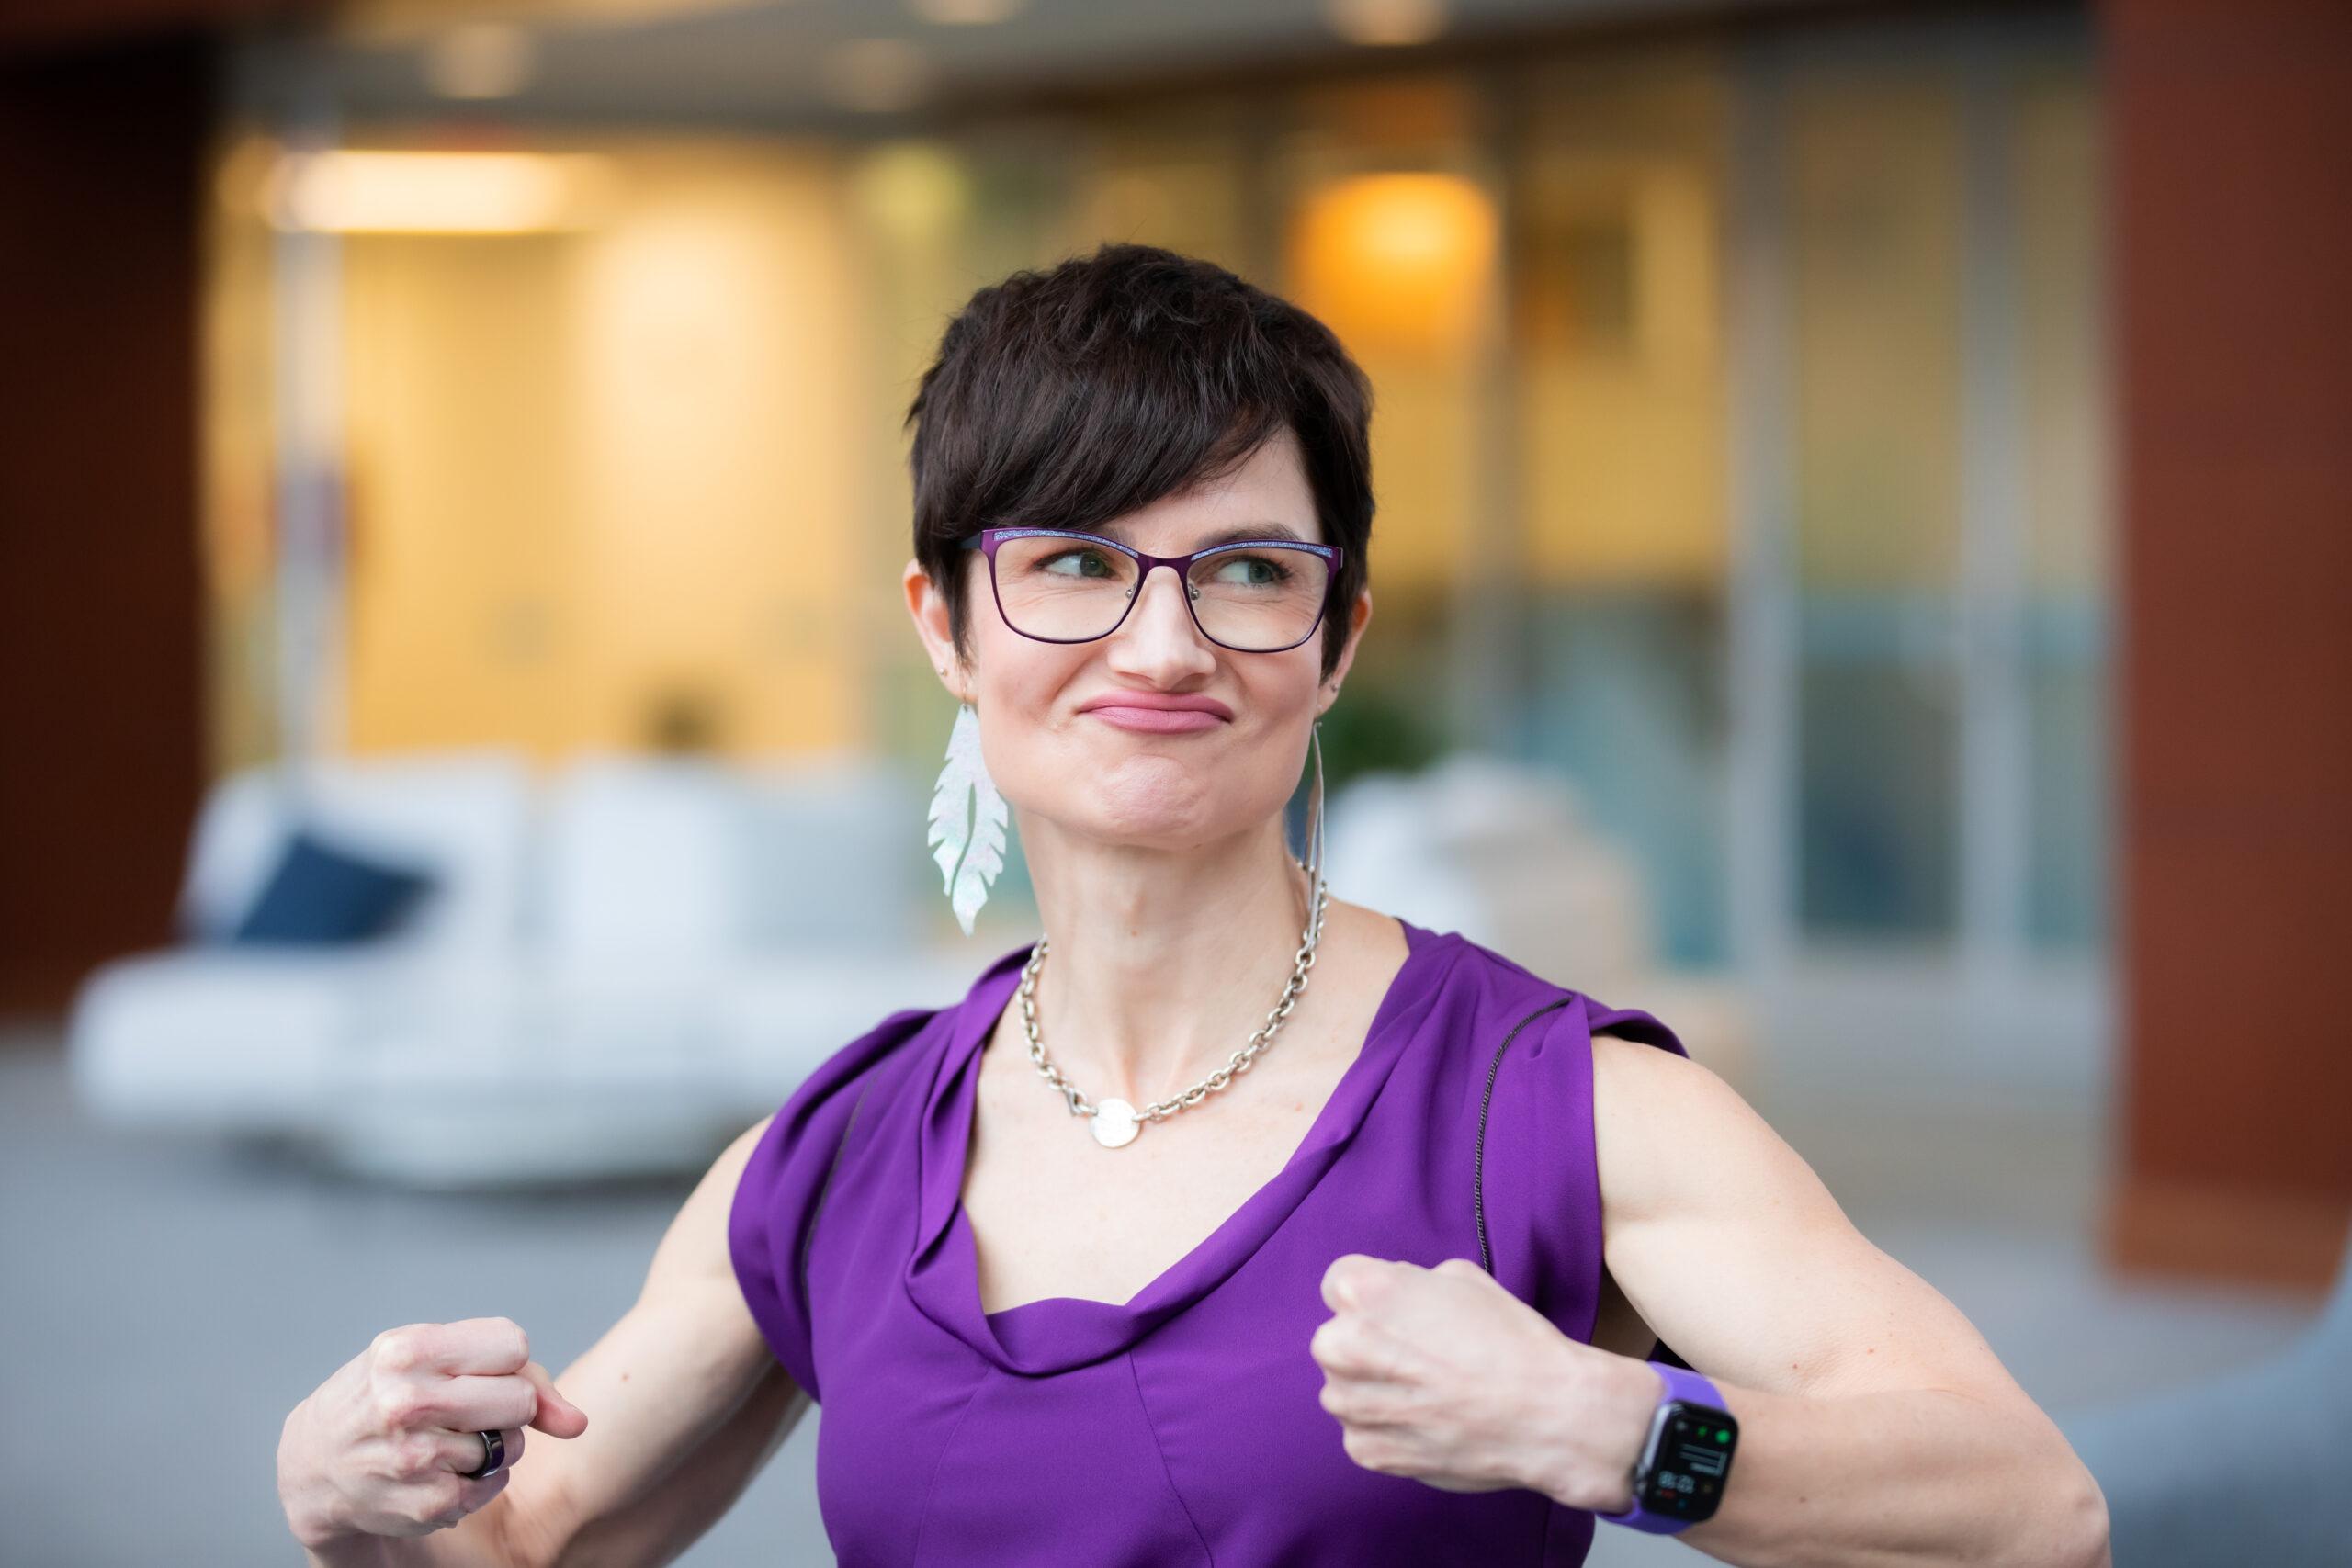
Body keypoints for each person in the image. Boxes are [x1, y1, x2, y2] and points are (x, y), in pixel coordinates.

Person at [277, 243, 2110, 1567]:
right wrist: (347, 1501)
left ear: (1333, 641)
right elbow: (527, 1541)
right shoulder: (832, 1154)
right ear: (942, 622)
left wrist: (1600, 1424)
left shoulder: (1547, 1103)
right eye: (1072, 561)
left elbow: (2030, 1504)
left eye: (1243, 569)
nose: (1160, 643)